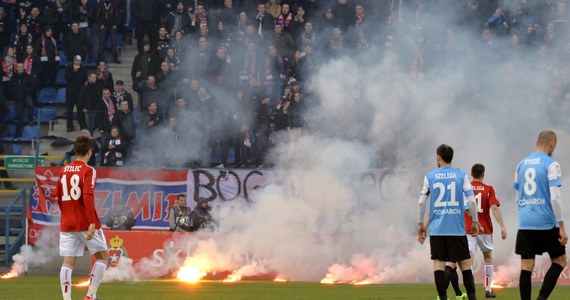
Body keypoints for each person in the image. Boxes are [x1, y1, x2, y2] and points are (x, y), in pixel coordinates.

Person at [417, 144, 480, 300]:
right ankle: (472, 298)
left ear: (438, 157)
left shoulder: (430, 176)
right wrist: (475, 221)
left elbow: (421, 202)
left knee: (439, 265)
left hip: (438, 230)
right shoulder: (462, 176)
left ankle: (443, 298)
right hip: (456, 230)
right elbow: (471, 202)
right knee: (465, 265)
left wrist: (420, 224)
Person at [514, 130, 567, 300]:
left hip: (525, 222)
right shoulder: (552, 164)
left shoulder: (521, 164)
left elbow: (517, 196)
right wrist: (562, 227)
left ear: (537, 142)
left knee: (526, 267)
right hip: (545, 222)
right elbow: (556, 198)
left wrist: (525, 213)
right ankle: (541, 298)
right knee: (559, 261)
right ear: (553, 144)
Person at [57, 136, 109, 300]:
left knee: (68, 261)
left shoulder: (63, 170)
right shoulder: (89, 170)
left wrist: (66, 215)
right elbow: (87, 196)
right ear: (90, 151)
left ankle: (67, 299)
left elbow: (58, 196)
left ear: (74, 150)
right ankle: (91, 295)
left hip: (67, 221)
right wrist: (92, 222)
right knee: (103, 257)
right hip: (85, 221)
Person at [447, 163, 508, 299]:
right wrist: (502, 226)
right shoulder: (489, 189)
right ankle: (487, 289)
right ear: (483, 174)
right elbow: (494, 207)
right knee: (487, 257)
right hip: (485, 229)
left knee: (469, 261)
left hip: (468, 228)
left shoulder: (465, 188)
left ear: (472, 174)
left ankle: (471, 291)